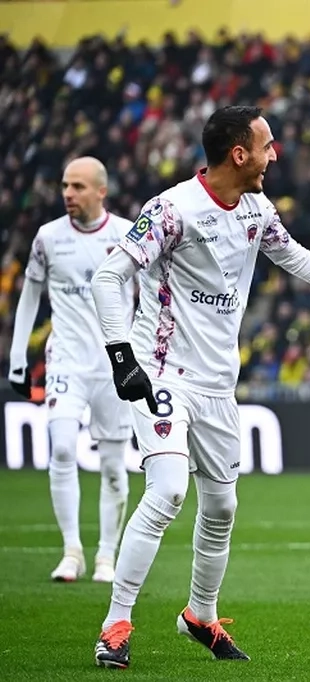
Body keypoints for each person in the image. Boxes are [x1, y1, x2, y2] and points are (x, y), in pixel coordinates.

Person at [89, 105, 310, 669]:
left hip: (219, 383)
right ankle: (116, 624)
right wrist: (123, 358)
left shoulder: (256, 209)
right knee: (168, 491)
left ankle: (201, 615)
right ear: (239, 153)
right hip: (162, 371)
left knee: (222, 505)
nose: (275, 155)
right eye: (268, 145)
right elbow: (108, 277)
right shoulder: (171, 210)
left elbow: (295, 257)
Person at [8, 157, 134, 584]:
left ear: (101, 191)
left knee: (113, 466)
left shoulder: (127, 236)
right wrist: (18, 358)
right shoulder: (48, 237)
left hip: (114, 366)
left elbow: (151, 294)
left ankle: (106, 556)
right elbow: (30, 294)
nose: (68, 193)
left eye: (78, 186)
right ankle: (72, 551)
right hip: (66, 361)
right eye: (65, 185)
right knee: (62, 449)